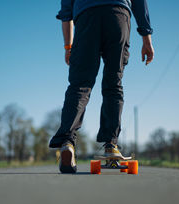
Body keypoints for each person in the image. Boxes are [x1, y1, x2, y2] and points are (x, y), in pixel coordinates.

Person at [50, 0, 154, 173]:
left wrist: (68, 46)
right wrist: (146, 37)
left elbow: (66, 11)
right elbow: (139, 2)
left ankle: (67, 141)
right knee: (113, 84)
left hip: (86, 16)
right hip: (118, 15)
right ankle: (110, 144)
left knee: (80, 84)